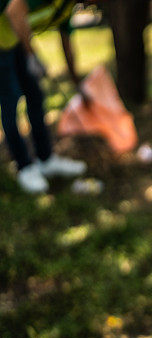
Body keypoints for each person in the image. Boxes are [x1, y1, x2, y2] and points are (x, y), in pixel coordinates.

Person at [0, 0, 87, 194]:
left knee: (35, 95)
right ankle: (24, 167)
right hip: (3, 38)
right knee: (10, 101)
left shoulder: (66, 6)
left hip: (13, 37)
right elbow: (14, 9)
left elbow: (66, 41)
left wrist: (77, 83)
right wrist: (31, 55)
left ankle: (45, 159)